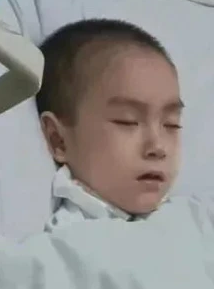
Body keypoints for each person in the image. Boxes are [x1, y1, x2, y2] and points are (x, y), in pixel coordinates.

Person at [36, 19, 183, 228]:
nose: (158, 147)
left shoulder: (193, 219)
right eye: (127, 121)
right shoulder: (74, 235)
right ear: (58, 139)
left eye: (171, 124)